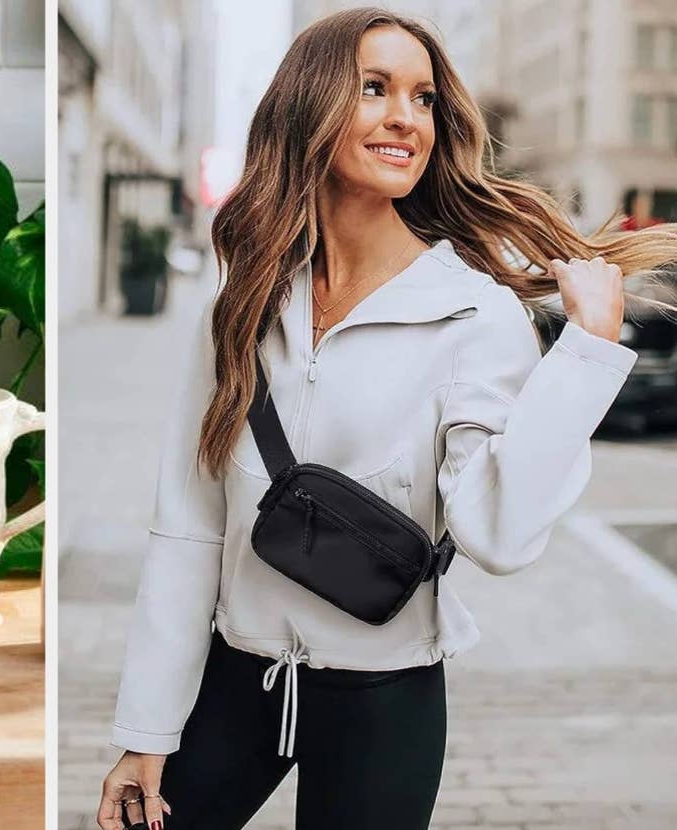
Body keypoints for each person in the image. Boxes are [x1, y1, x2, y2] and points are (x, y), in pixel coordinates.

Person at [96, 8, 677, 830]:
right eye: (374, 89)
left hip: (385, 701)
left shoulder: (473, 313)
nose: (407, 116)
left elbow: (500, 535)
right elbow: (189, 525)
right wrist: (144, 731)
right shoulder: (244, 304)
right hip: (233, 681)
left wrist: (586, 354)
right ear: (311, 105)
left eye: (424, 97)